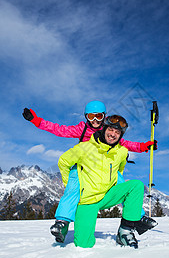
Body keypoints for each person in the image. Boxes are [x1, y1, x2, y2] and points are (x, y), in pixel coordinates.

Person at [22, 101, 157, 242]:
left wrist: (142, 146)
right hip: (83, 167)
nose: (95, 121)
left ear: (104, 117)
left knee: (120, 181)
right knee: (73, 187)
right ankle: (62, 221)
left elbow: (124, 143)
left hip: (105, 167)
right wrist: (37, 121)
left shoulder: (108, 130)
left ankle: (138, 216)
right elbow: (60, 130)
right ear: (86, 117)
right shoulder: (82, 129)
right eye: (91, 117)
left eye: (99, 116)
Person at [58, 115, 153, 248]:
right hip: (87, 201)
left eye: (117, 132)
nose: (113, 134)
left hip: (107, 196)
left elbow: (119, 171)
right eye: (111, 130)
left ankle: (125, 232)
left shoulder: (121, 152)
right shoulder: (84, 148)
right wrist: (72, 186)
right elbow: (63, 162)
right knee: (83, 245)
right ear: (104, 129)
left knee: (135, 186)